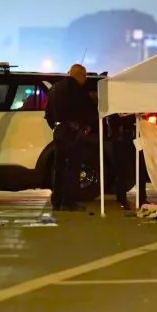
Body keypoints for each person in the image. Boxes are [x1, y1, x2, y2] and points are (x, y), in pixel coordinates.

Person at [45, 64, 96, 211]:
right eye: (85, 76)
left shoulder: (54, 89)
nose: (85, 79)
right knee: (73, 168)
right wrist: (86, 127)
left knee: (59, 168)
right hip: (73, 133)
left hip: (59, 132)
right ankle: (68, 202)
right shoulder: (78, 91)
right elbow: (88, 111)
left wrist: (55, 127)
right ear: (79, 75)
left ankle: (56, 201)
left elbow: (48, 113)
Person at [107, 113, 148, 210]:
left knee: (141, 167)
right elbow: (116, 121)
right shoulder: (116, 108)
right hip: (122, 138)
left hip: (134, 137)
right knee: (123, 169)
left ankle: (142, 198)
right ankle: (122, 197)